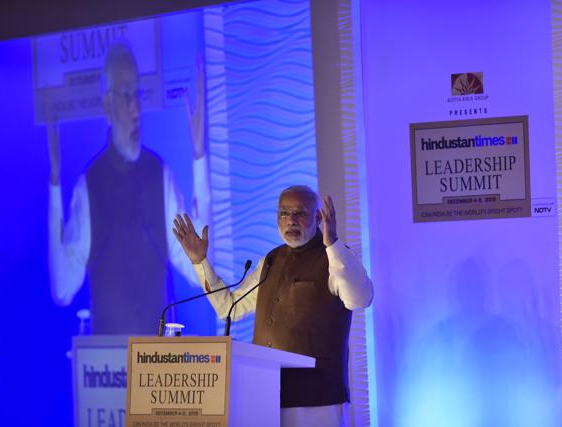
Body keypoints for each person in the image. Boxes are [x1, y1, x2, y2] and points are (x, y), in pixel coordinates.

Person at [172, 185, 373, 427]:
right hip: (265, 395)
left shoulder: (335, 257)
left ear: (319, 217)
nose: (291, 221)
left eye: (300, 213)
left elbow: (360, 299)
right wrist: (200, 262)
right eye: (284, 213)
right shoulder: (270, 260)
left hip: (316, 399)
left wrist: (333, 245)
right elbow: (229, 308)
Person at [47, 41, 210, 334]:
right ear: (108, 106)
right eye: (126, 97)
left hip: (157, 364)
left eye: (138, 94)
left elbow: (200, 272)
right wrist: (54, 186)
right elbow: (62, 288)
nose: (136, 110)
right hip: (107, 368)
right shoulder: (90, 185)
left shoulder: (159, 175)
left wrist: (199, 156)